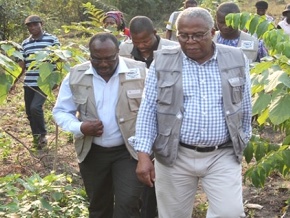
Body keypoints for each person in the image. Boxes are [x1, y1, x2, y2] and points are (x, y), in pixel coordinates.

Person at [134, 7, 252, 218]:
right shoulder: (162, 62)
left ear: (212, 33)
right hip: (174, 155)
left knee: (230, 213)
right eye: (184, 35)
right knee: (173, 215)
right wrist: (143, 155)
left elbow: (244, 105)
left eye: (198, 35)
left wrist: (242, 138)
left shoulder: (236, 58)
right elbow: (148, 109)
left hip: (221, 155)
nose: (190, 41)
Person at [52, 32, 146, 218]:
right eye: (97, 59)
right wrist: (80, 127)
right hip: (93, 152)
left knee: (128, 204)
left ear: (118, 52)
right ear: (90, 55)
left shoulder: (141, 72)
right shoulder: (76, 76)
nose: (103, 64)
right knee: (98, 206)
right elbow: (61, 111)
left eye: (109, 58)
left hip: (128, 152)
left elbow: (153, 109)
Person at [119, 16, 178, 218]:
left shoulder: (173, 49)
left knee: (161, 167)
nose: (142, 46)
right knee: (141, 164)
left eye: (146, 41)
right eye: (137, 43)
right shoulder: (123, 51)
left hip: (165, 115)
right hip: (134, 115)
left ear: (155, 33)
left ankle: (157, 209)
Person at [19, 15, 60, 149]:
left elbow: (59, 59)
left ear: (41, 24)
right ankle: (36, 137)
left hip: (44, 81)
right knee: (29, 112)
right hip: (29, 82)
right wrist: (14, 81)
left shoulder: (52, 40)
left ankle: (42, 134)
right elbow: (22, 64)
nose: (32, 27)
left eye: (35, 24)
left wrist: (56, 78)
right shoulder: (25, 43)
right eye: (30, 26)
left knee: (35, 107)